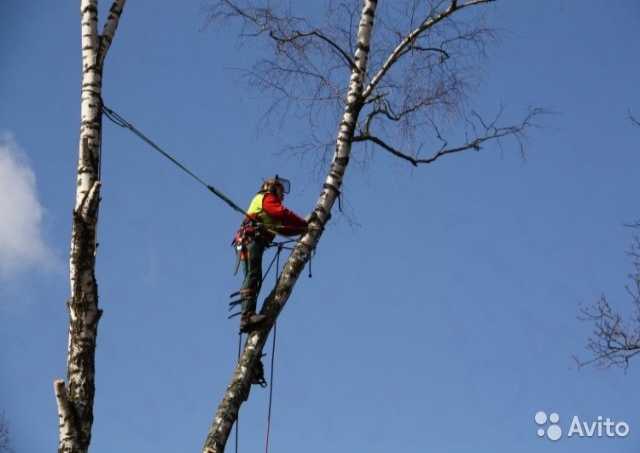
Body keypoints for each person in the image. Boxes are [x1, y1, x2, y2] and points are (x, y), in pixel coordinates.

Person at [233, 175, 307, 333]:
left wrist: (303, 229)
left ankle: (249, 317)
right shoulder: (266, 199)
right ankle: (247, 316)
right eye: (281, 190)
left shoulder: (270, 209)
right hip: (250, 241)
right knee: (253, 275)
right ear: (272, 188)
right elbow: (282, 213)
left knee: (255, 277)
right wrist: (305, 223)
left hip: (253, 243)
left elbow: (284, 229)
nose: (283, 195)